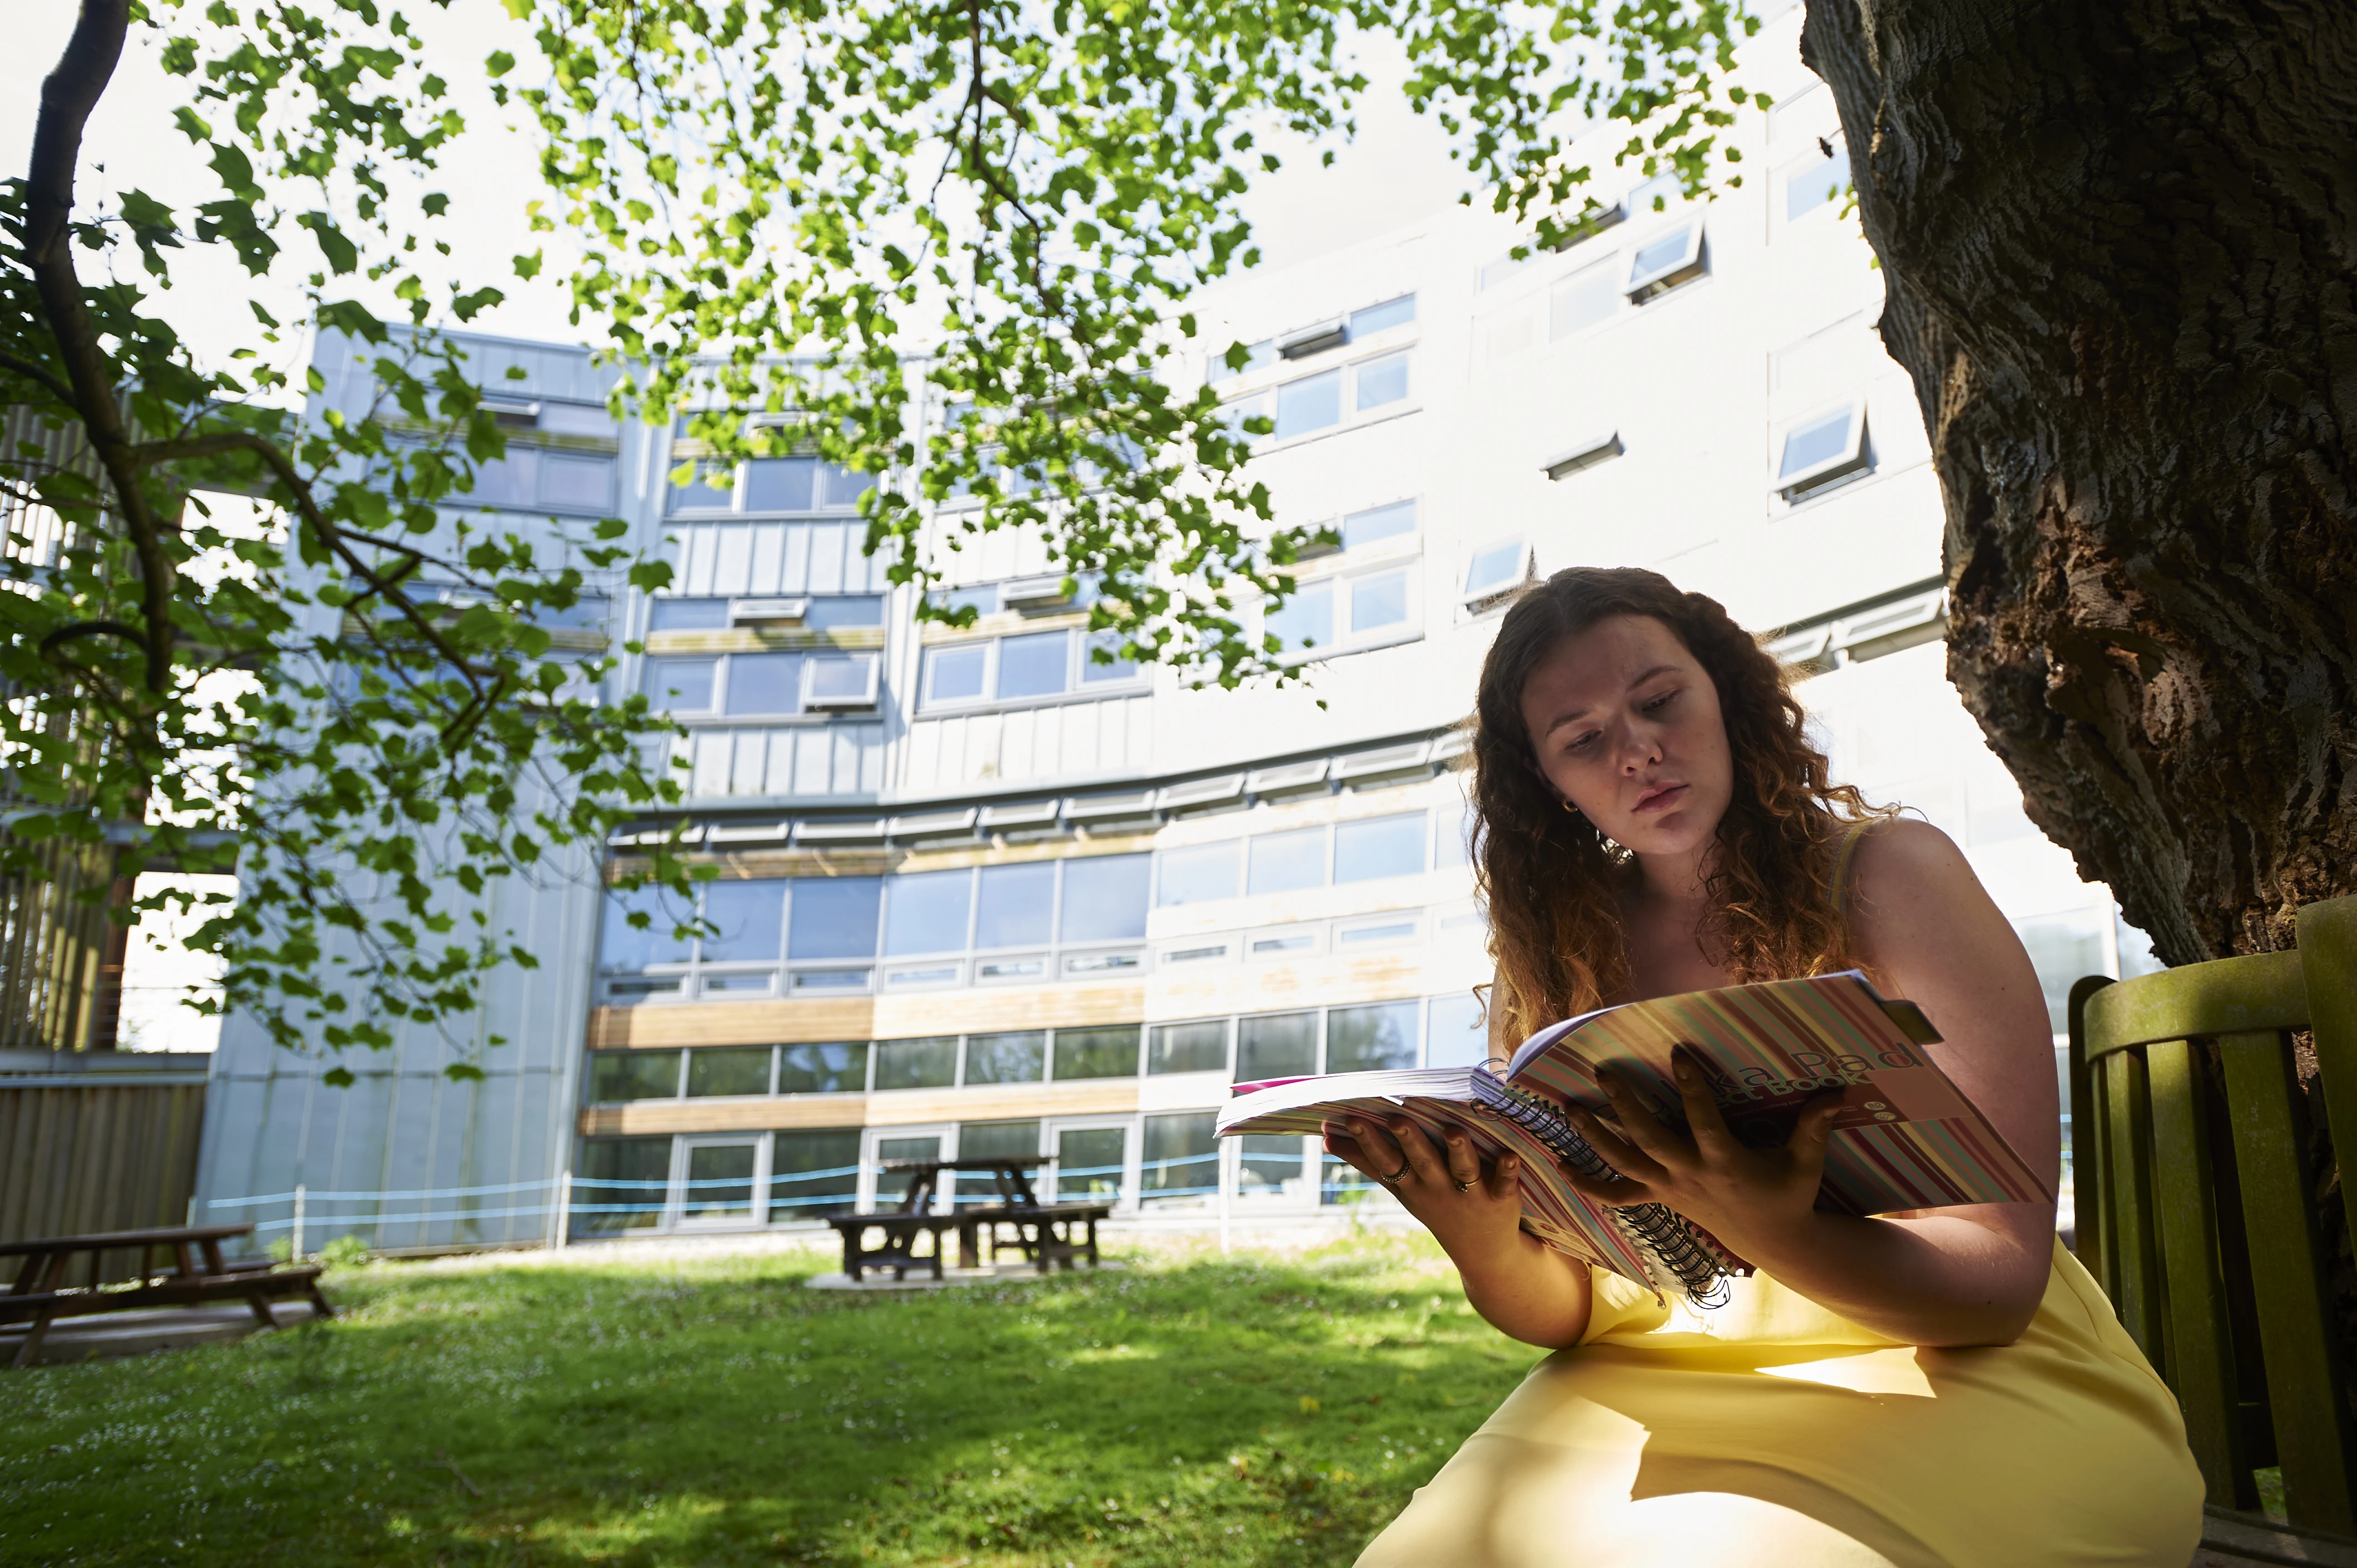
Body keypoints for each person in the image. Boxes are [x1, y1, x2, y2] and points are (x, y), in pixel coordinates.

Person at [1330, 568, 2202, 1568]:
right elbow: (1572, 1313)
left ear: (1727, 695)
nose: (1639, 750)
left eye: (1659, 702)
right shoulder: (1554, 952)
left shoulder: (1889, 874)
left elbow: (2000, 1285)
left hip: (1952, 1369)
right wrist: (1480, 1235)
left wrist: (1766, 1226)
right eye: (1583, 741)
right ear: (1548, 784)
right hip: (1648, 1381)